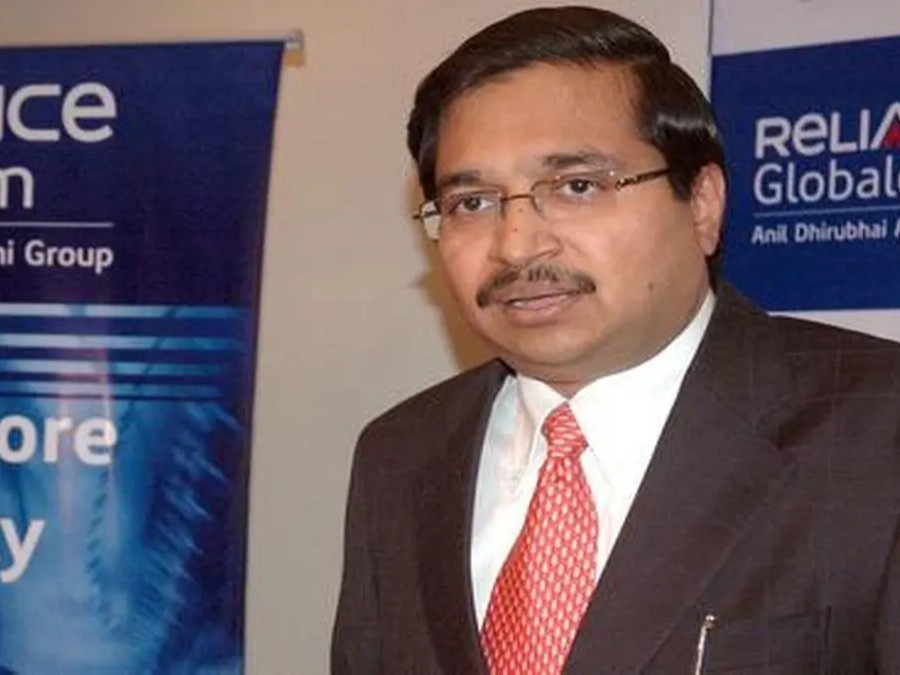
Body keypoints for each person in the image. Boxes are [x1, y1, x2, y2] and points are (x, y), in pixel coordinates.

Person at [331, 6, 900, 673]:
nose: (516, 245)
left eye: (576, 186)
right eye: (473, 202)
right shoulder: (401, 456)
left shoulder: (876, 429)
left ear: (702, 203)